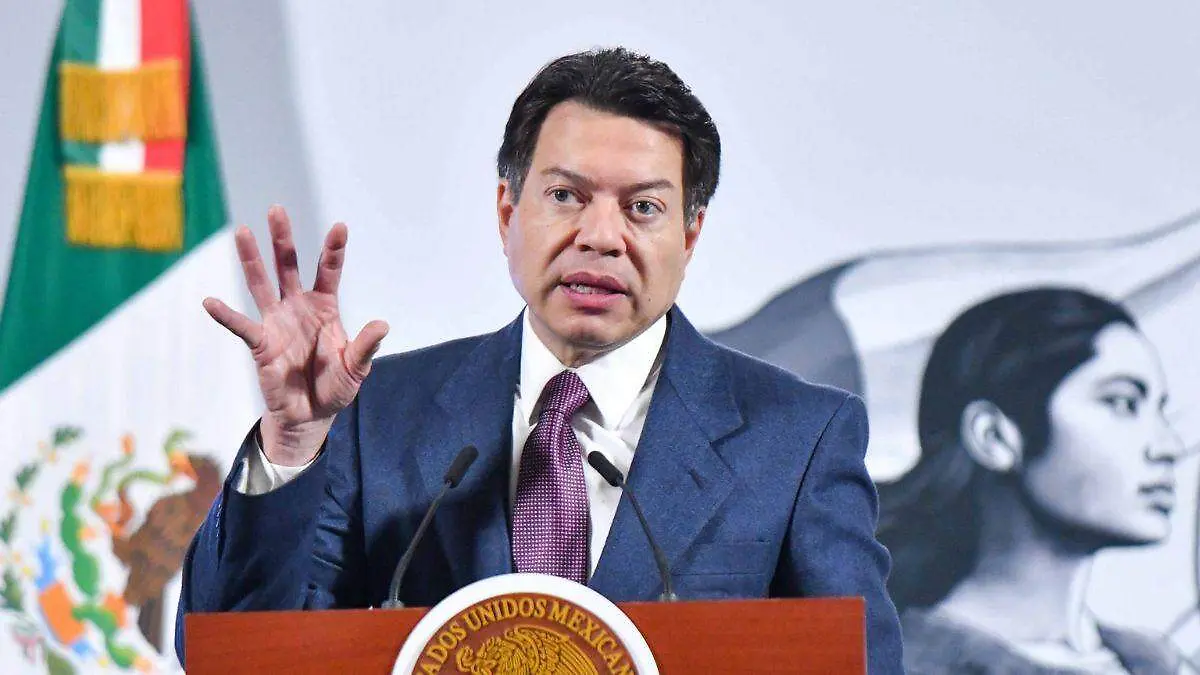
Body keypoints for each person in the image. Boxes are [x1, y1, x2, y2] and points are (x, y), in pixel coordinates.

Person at [174, 47, 903, 671]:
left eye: (643, 208)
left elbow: (861, 664)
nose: (600, 237)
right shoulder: (378, 415)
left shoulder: (798, 438)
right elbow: (234, 653)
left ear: (690, 236)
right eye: (565, 195)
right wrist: (293, 442)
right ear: (507, 213)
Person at [877, 288, 1184, 674]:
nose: (1169, 447)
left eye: (1159, 410)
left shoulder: (1158, 663)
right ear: (994, 437)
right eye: (1122, 403)